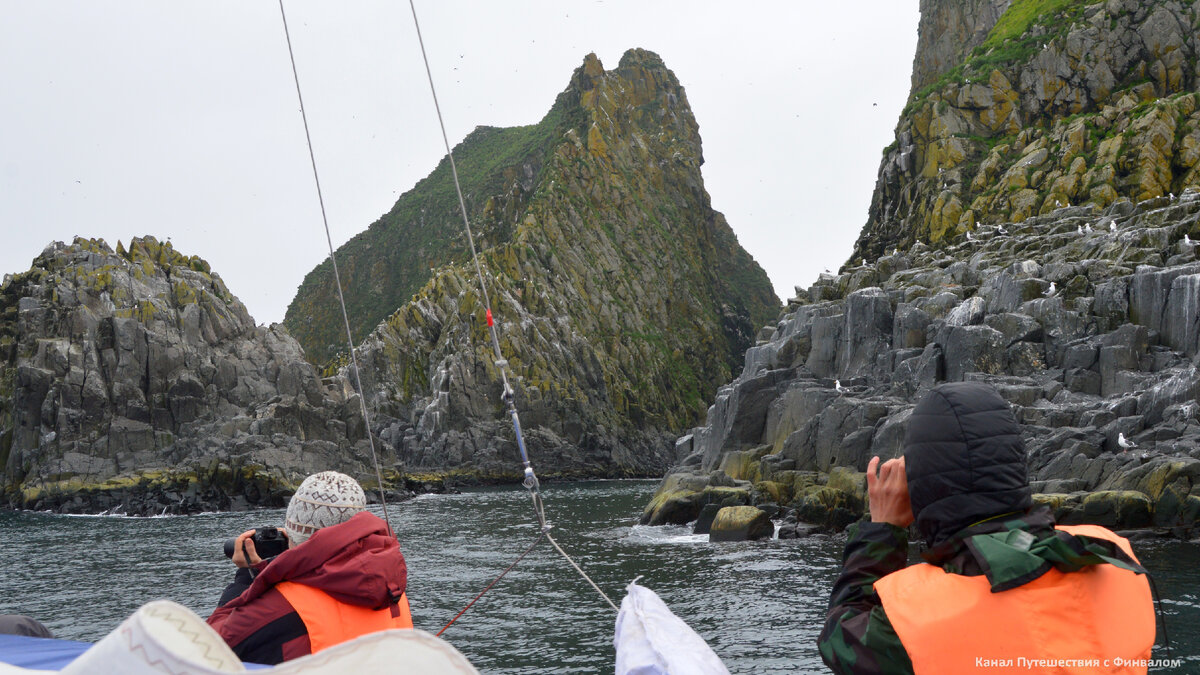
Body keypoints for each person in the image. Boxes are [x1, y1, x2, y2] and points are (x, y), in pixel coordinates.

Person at [818, 382, 1156, 674]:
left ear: (923, 487)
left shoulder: (913, 625)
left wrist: (884, 529)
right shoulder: (1114, 559)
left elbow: (840, 633)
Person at [207, 471, 412, 665]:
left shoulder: (278, 608)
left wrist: (247, 579)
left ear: (293, 535)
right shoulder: (392, 590)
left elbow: (205, 652)